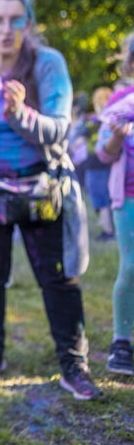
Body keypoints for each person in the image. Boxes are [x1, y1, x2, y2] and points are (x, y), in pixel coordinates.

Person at [0, 0, 100, 400]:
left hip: (41, 186)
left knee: (59, 277)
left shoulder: (47, 63)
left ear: (29, 24)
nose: (7, 29)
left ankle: (74, 366)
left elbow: (60, 130)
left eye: (16, 20)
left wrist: (19, 114)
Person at [96, 31, 134, 376]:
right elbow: (102, 153)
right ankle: (121, 342)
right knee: (131, 265)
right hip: (129, 198)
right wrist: (115, 141)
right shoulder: (121, 102)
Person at [78, 86, 115, 241]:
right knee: (107, 198)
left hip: (96, 165)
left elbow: (82, 140)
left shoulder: (96, 121)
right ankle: (111, 229)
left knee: (100, 198)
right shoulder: (112, 118)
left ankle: (108, 231)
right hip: (105, 164)